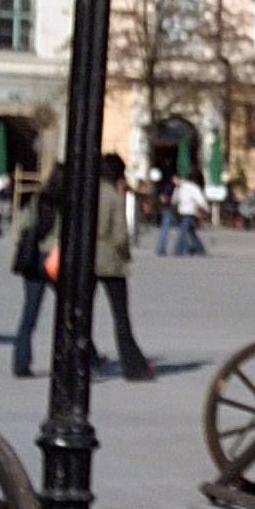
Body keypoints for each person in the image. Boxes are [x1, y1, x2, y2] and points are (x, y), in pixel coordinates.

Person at [94, 153, 154, 377]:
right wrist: (126, 255)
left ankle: (83, 358)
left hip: (87, 260)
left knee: (83, 313)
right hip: (110, 261)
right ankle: (132, 364)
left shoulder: (88, 190)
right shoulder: (113, 196)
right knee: (120, 316)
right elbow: (119, 235)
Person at [11, 162, 65, 377]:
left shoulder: (36, 200)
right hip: (53, 260)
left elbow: (20, 227)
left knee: (29, 314)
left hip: (33, 259)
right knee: (71, 309)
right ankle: (86, 355)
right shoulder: (66, 204)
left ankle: (20, 362)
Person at [171, 167, 211, 256]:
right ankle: (200, 249)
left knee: (183, 231)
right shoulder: (193, 187)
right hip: (189, 212)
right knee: (189, 231)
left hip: (182, 211)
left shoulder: (181, 186)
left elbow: (175, 199)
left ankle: (178, 249)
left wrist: (175, 205)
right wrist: (207, 209)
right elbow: (200, 200)